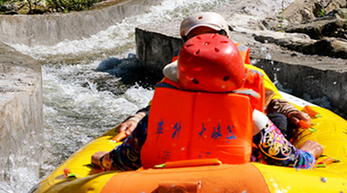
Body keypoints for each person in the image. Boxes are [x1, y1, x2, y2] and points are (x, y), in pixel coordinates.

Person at [91, 34, 322, 171]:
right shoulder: (252, 118)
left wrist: (101, 159)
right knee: (279, 124)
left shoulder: (157, 116)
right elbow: (293, 162)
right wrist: (310, 151)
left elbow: (126, 159)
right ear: (237, 78)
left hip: (160, 183)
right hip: (234, 189)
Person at [117, 12, 311, 140]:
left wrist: (291, 112)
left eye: (213, 35)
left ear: (226, 37)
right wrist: (137, 118)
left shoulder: (252, 74)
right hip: (190, 135)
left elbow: (272, 99)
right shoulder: (176, 73)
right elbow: (159, 104)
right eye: (197, 38)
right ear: (186, 43)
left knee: (279, 120)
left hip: (236, 134)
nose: (207, 42)